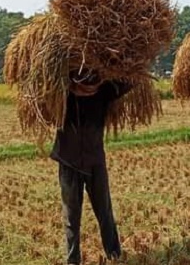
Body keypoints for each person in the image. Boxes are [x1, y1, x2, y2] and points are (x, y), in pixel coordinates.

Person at [50, 71, 132, 265]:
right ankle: (73, 260)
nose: (86, 85)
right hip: (69, 161)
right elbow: (40, 86)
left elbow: (129, 81)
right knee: (72, 215)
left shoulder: (103, 91)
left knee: (104, 210)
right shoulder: (62, 93)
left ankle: (114, 255)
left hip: (95, 160)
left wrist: (113, 65)